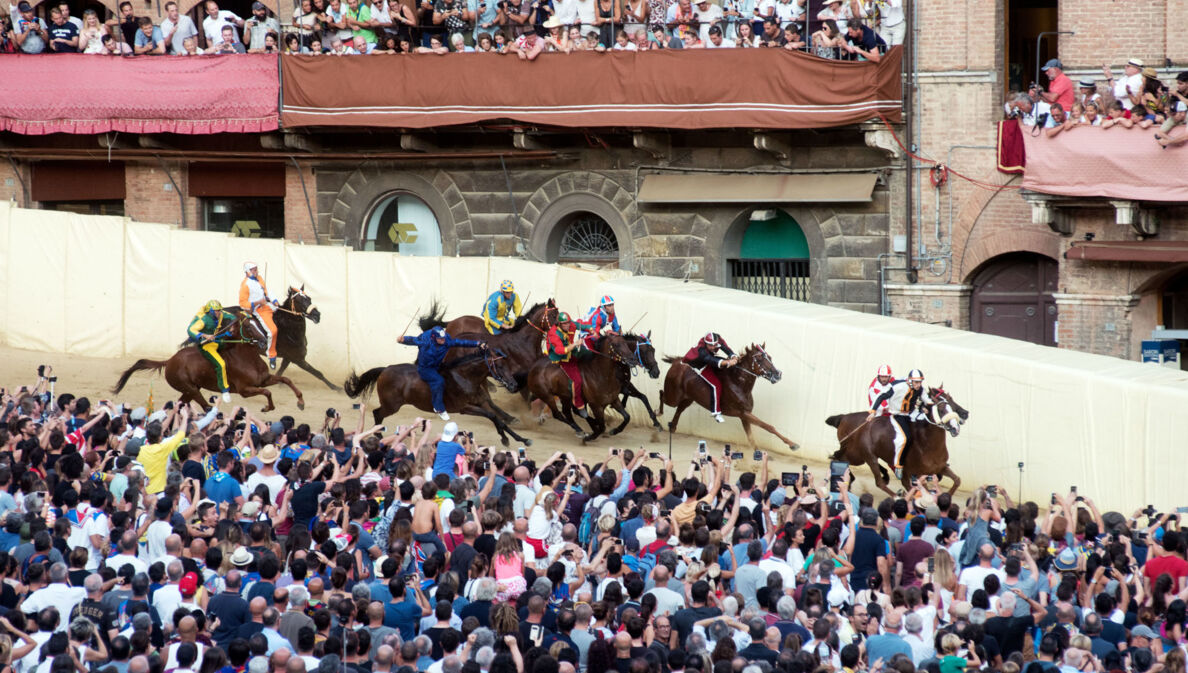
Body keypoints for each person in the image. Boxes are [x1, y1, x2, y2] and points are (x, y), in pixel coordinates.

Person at [398, 326, 485, 420]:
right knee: (438, 381)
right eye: (440, 339)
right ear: (434, 338)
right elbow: (413, 340)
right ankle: (438, 408)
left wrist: (478, 343)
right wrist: (403, 340)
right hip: (426, 368)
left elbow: (459, 342)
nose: (443, 340)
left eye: (443, 338)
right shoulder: (425, 342)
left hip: (438, 365)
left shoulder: (446, 339)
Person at [868, 368, 933, 478]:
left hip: (911, 414)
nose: (919, 385)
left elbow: (927, 400)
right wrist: (873, 411)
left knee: (925, 434)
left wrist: (930, 405)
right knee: (904, 438)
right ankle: (899, 465)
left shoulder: (920, 389)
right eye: (916, 382)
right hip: (898, 415)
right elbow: (882, 396)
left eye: (920, 382)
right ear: (910, 381)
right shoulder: (897, 386)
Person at [186, 300, 237, 403]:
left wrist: (233, 325)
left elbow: (232, 317)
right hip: (206, 345)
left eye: (219, 310)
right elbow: (190, 330)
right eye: (217, 311)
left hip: (217, 340)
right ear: (211, 312)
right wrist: (205, 335)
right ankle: (224, 390)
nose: (219, 313)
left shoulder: (221, 314)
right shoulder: (203, 319)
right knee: (221, 364)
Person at [682, 332, 737, 423]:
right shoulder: (701, 350)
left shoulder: (718, 340)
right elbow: (711, 360)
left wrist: (733, 355)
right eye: (710, 345)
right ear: (705, 342)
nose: (712, 347)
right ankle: (716, 412)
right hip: (699, 364)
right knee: (716, 385)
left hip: (710, 358)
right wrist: (728, 362)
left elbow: (725, 347)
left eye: (714, 345)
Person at [546, 312, 588, 418]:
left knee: (589, 354)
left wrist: (591, 330)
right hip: (560, 357)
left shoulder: (570, 324)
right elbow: (560, 351)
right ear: (559, 324)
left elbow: (581, 326)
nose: (567, 325)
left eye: (568, 323)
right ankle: (579, 405)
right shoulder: (553, 333)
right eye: (564, 324)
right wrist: (575, 344)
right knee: (577, 380)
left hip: (570, 350)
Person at [239, 262, 279, 369]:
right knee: (272, 331)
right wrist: (257, 302)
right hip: (259, 310)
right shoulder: (245, 285)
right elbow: (242, 303)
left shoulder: (260, 278)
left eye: (256, 269)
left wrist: (274, 300)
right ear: (247, 271)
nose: (256, 271)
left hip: (268, 306)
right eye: (253, 270)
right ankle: (271, 355)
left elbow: (266, 290)